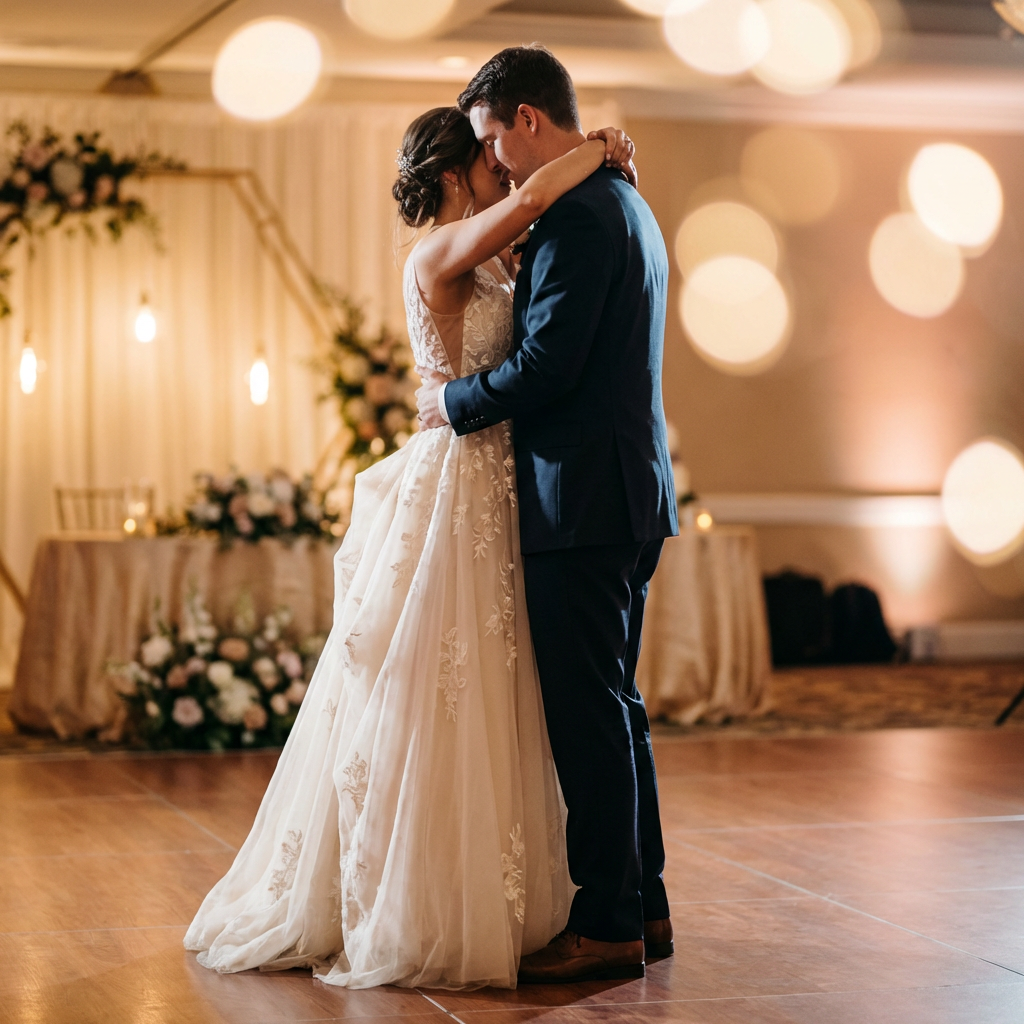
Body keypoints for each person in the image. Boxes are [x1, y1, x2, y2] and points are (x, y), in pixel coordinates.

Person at [184, 103, 637, 990]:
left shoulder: (488, 250)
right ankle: (424, 897)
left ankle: (508, 892)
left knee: (504, 687)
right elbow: (538, 193)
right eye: (486, 162)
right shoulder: (438, 251)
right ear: (448, 175)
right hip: (460, 477)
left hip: (504, 479)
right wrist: (597, 146)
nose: (503, 174)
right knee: (440, 682)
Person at [416, 45, 678, 984]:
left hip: (582, 497)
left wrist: (453, 404)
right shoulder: (628, 204)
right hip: (630, 489)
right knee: (620, 707)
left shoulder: (577, 217)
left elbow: (548, 369)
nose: (501, 166)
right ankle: (643, 904)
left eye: (498, 139)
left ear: (527, 119)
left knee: (588, 716)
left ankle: (606, 920)